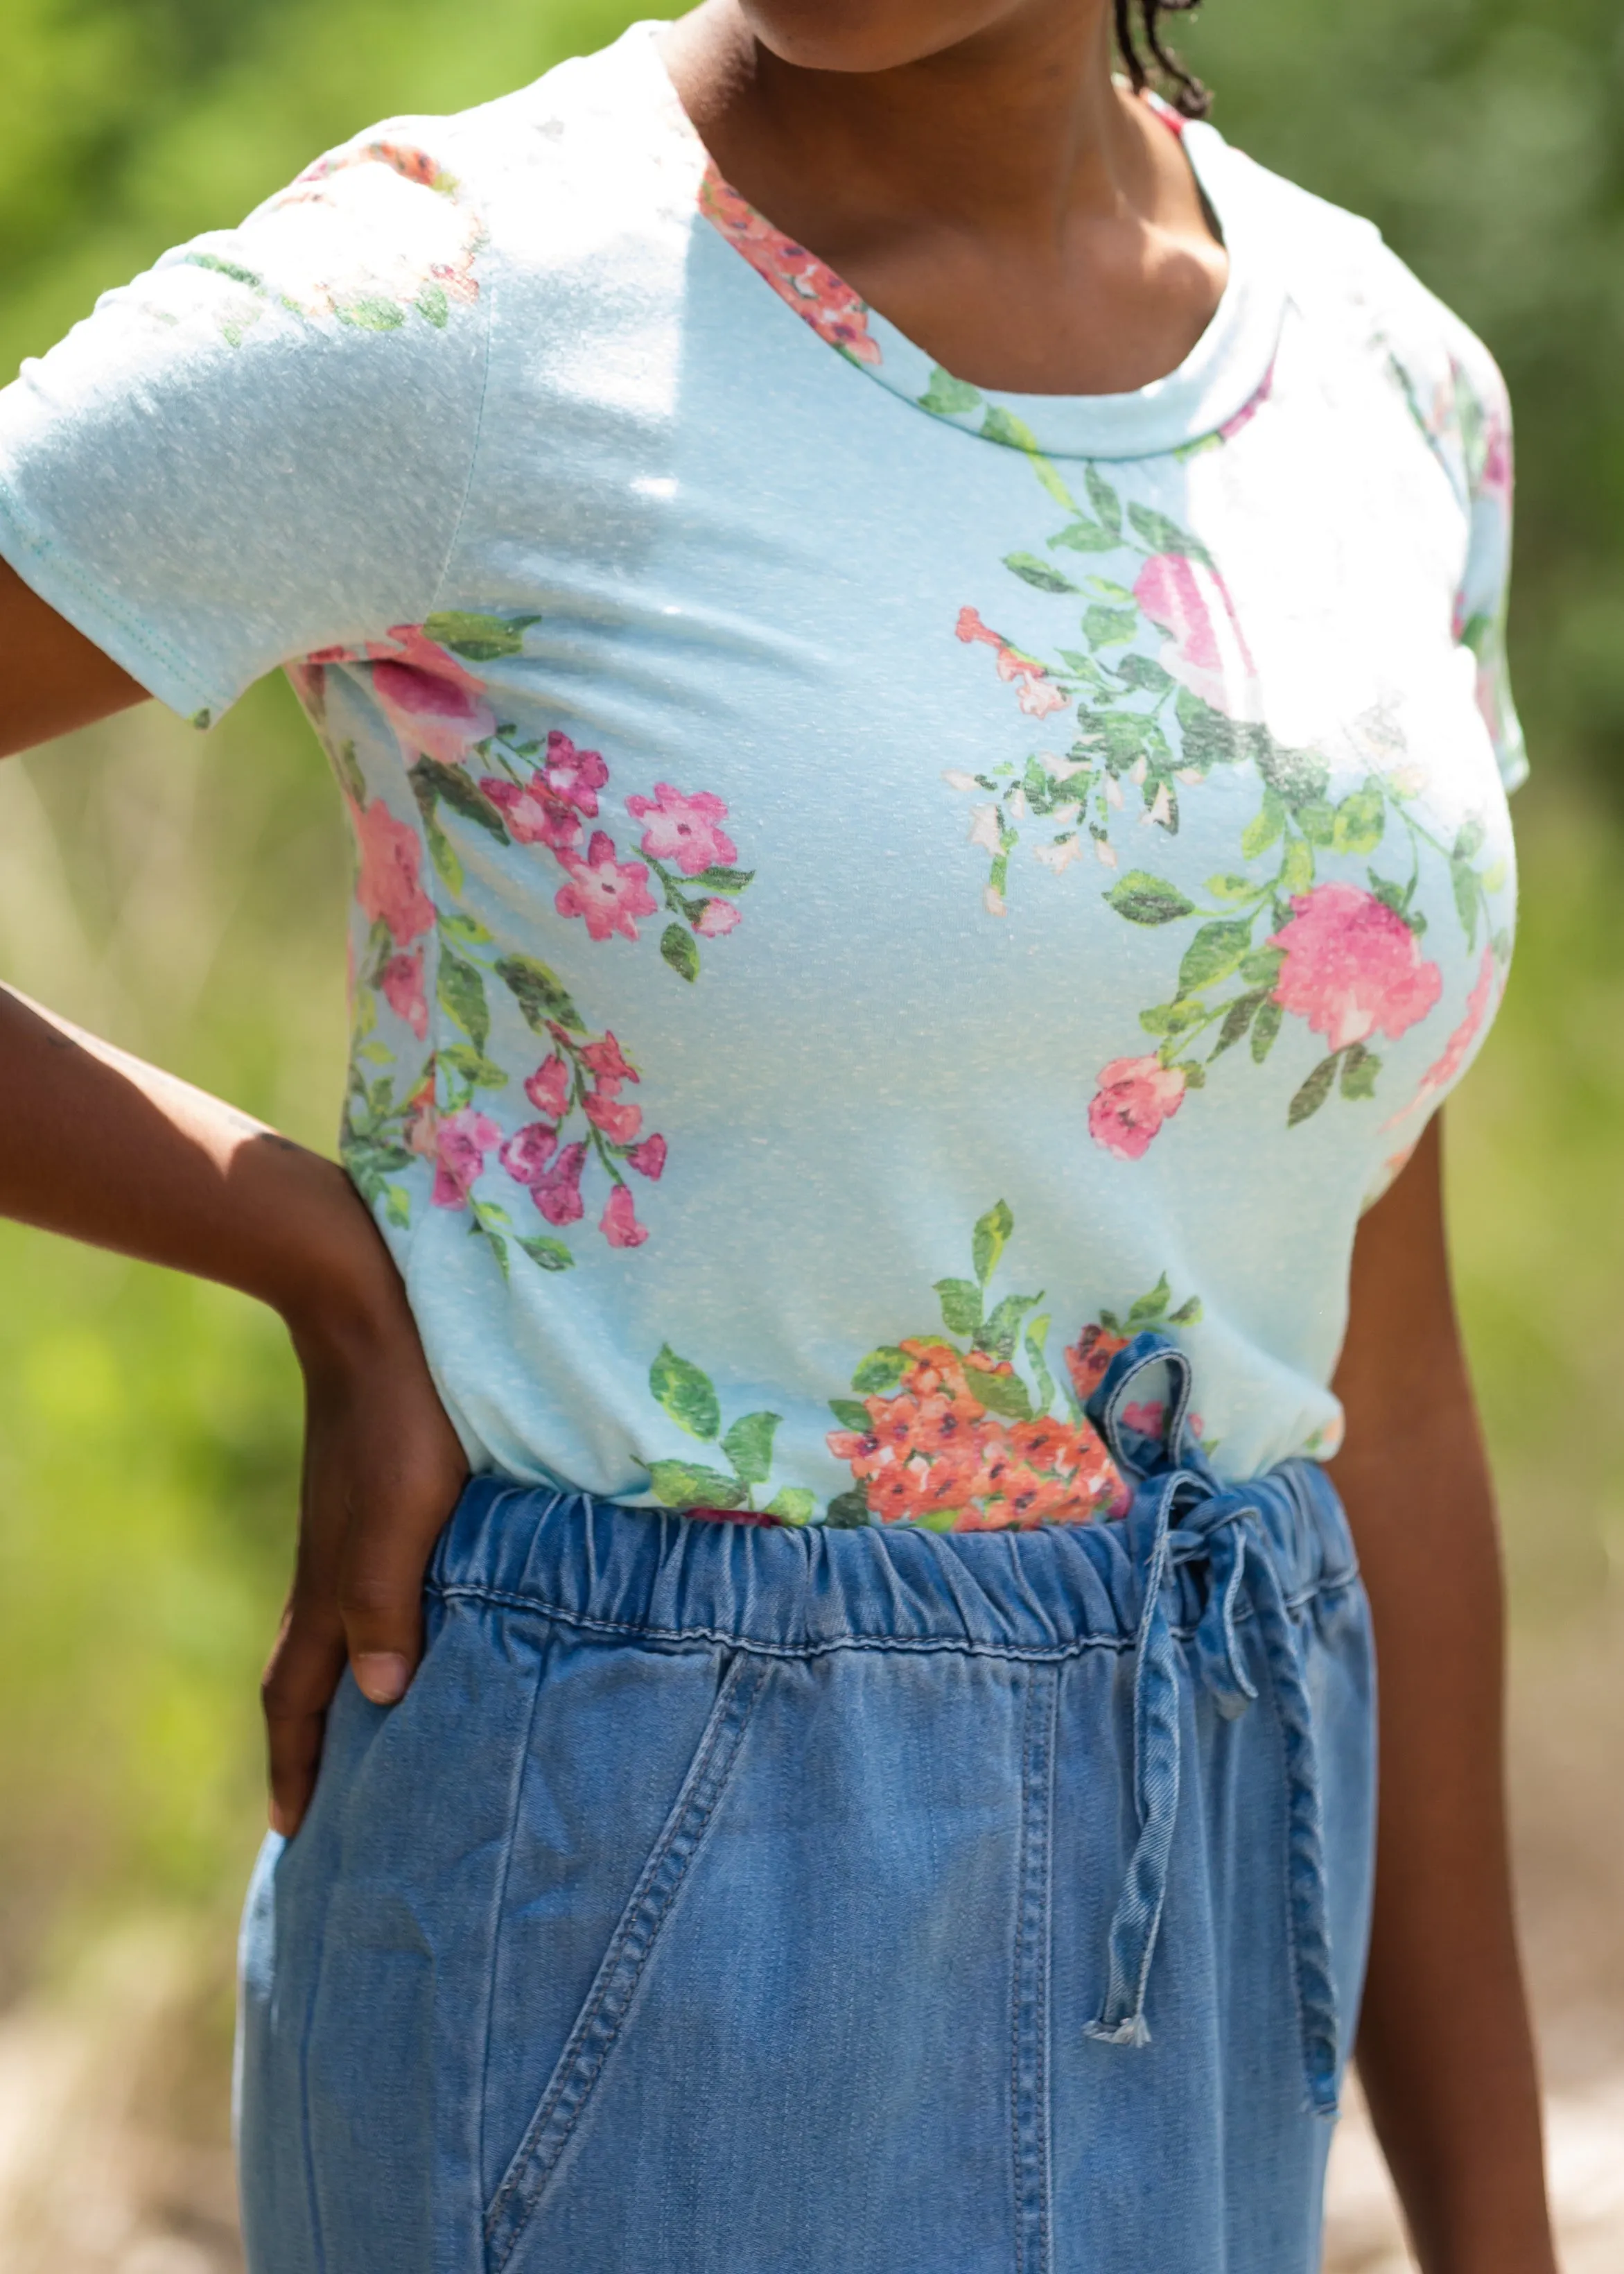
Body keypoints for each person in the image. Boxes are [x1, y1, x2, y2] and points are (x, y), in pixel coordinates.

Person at [0, 1, 1558, 2267]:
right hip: (639, 1882)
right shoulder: (458, 295)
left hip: (1215, 1876)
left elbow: (1372, 1373)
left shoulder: (1388, 385)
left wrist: (1490, 2229)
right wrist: (315, 1260)